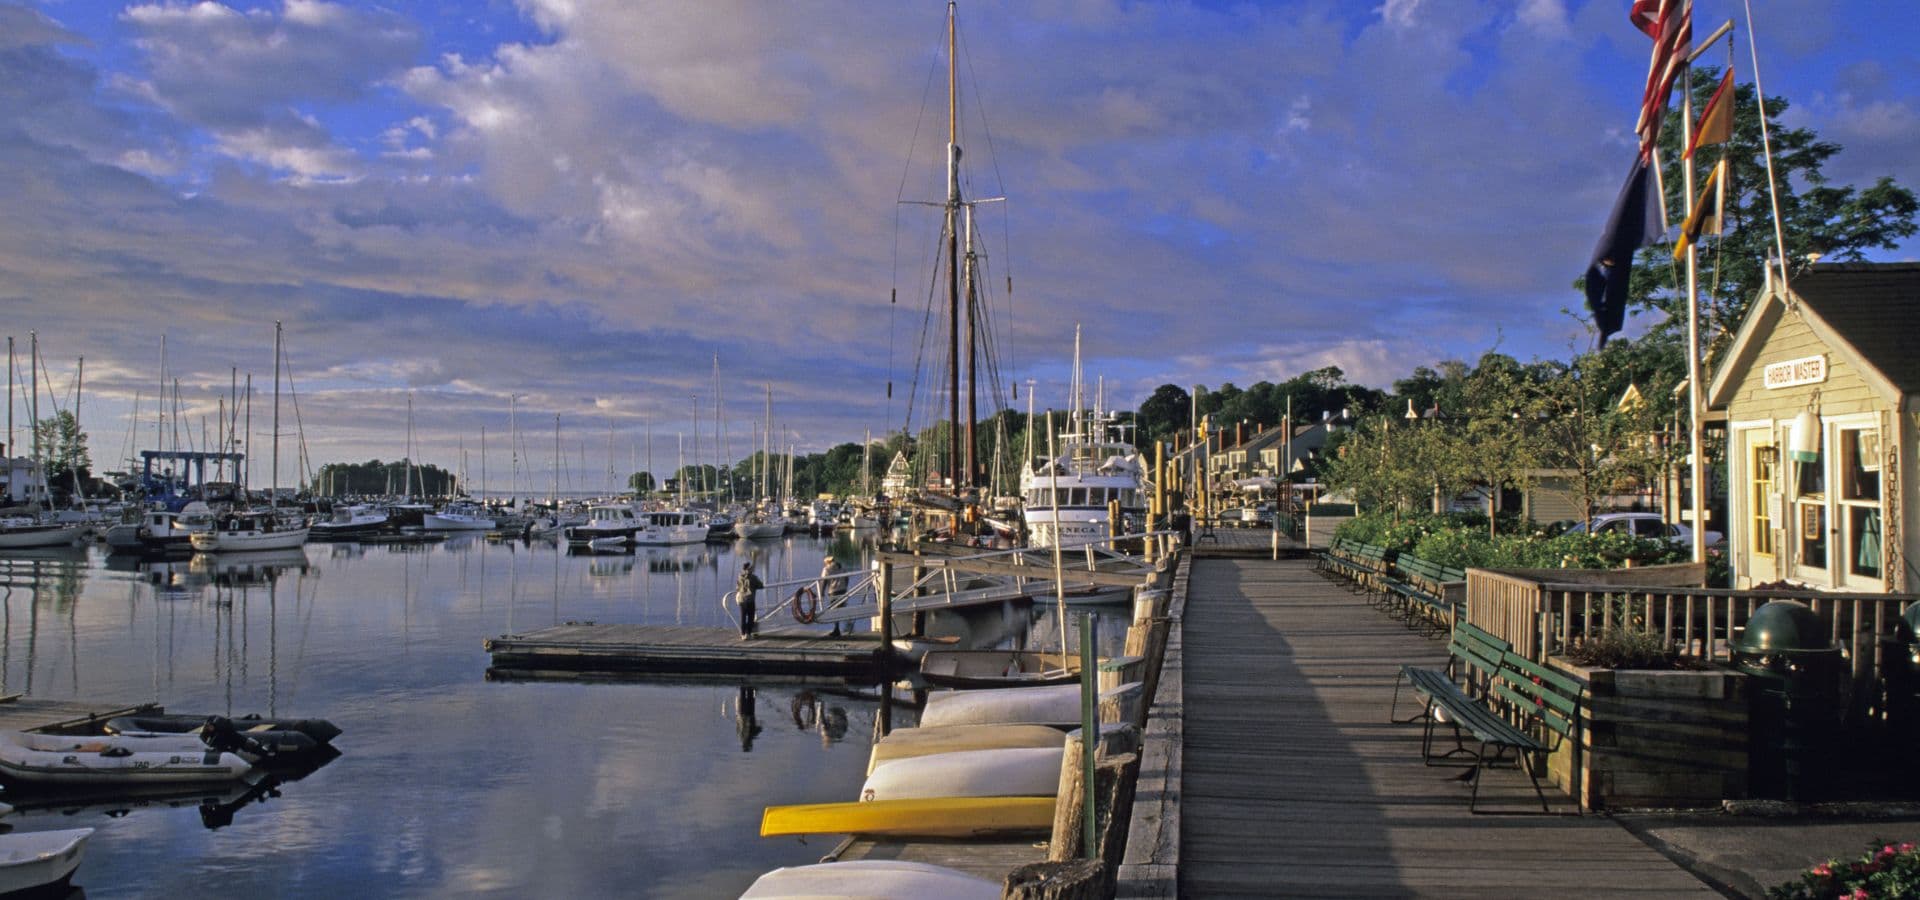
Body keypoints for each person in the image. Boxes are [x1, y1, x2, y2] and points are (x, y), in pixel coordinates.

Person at [736, 561, 763, 639]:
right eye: (751, 568)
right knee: (751, 617)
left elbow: (737, 587)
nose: (753, 569)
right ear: (749, 569)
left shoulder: (739, 576)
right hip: (750, 600)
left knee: (743, 618)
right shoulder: (753, 577)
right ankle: (748, 634)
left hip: (741, 600)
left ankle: (742, 634)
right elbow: (761, 585)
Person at [818, 555, 845, 636]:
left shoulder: (826, 569)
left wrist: (821, 593)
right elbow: (846, 578)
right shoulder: (841, 567)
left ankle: (836, 629)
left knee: (833, 611)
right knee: (839, 611)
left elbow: (823, 582)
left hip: (833, 591)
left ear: (827, 562)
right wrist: (845, 586)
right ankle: (837, 629)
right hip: (842, 590)